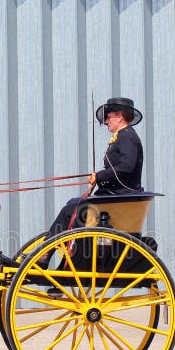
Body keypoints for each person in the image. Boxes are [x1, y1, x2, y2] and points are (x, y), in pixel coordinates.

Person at [37, 97, 144, 269]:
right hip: (114, 197)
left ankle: (45, 255)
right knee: (72, 206)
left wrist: (100, 176)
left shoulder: (127, 137)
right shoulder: (123, 137)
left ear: (120, 117)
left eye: (109, 117)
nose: (106, 121)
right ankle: (57, 259)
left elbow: (127, 166)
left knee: (69, 211)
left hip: (120, 199)